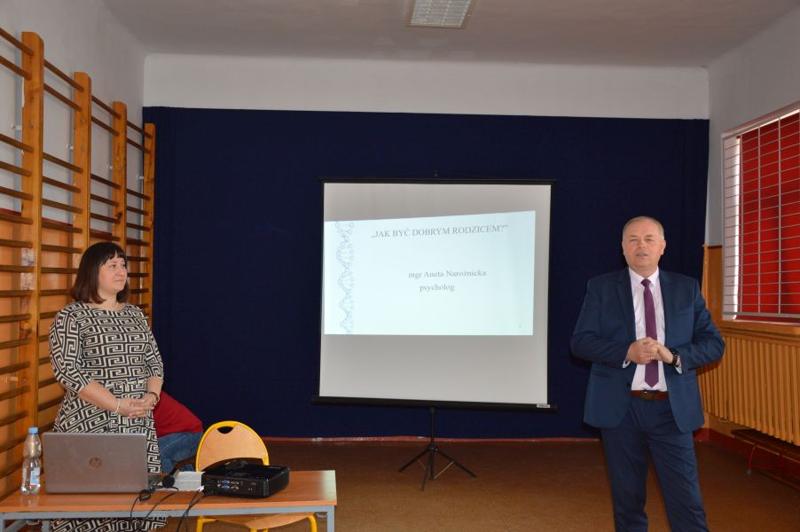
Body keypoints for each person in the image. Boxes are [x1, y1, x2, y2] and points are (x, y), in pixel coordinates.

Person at [571, 216, 724, 532]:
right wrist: (626, 352)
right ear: (623, 247)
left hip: (672, 409)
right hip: (621, 409)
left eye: (649, 239)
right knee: (627, 501)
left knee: (687, 501)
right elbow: (581, 342)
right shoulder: (601, 288)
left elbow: (713, 344)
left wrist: (674, 356)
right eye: (633, 239)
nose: (641, 245)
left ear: (662, 246)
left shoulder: (686, 288)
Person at [49, 242, 165, 532]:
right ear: (92, 271)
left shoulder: (135, 314)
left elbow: (154, 363)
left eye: (123, 265)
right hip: (89, 424)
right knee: (87, 511)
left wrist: (151, 396)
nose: (121, 271)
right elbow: (68, 370)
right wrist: (116, 405)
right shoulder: (71, 316)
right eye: (112, 265)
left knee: (134, 509)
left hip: (136, 424)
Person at [155, 390, 203, 474]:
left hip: (190, 434)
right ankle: (189, 480)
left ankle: (169, 482)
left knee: (156, 453)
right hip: (177, 435)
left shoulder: (148, 397)